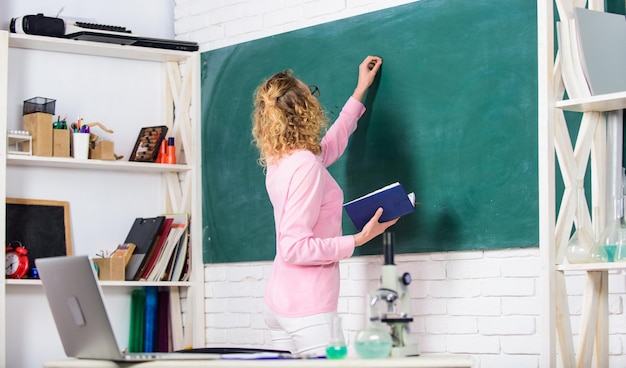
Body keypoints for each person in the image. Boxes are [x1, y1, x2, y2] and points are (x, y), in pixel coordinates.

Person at [251, 55, 398, 356]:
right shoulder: (304, 165)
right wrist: (358, 239)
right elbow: (294, 247)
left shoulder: (283, 160)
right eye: (311, 93)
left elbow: (330, 144)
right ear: (303, 109)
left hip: (281, 302)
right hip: (308, 309)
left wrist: (360, 90)